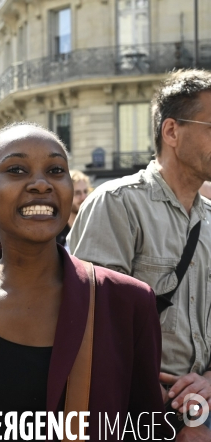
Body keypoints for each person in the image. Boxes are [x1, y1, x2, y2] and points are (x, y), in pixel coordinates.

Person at [0, 122, 172, 441]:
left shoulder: (128, 302)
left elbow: (146, 427)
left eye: (55, 169)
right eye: (16, 169)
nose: (41, 184)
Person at [68, 69, 211, 439]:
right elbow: (91, 327)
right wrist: (171, 420)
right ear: (171, 131)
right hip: (136, 413)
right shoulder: (117, 204)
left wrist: (207, 383)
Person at [56, 170, 91, 247]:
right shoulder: (54, 231)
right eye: (77, 193)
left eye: (85, 192)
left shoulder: (92, 226)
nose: (84, 197)